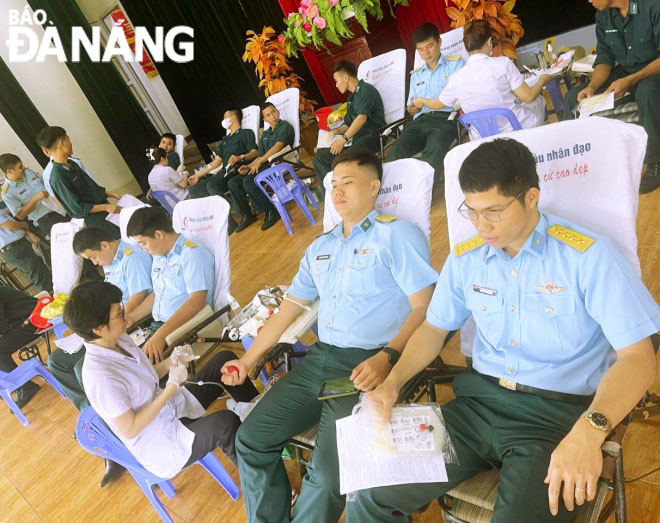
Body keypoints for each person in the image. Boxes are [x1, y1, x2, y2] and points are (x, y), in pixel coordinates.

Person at [345, 138, 660, 523]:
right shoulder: (467, 258)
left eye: (493, 211)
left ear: (531, 197)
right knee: (369, 495)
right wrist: (393, 383)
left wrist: (590, 430)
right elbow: (433, 327)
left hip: (555, 420)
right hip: (477, 408)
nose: (481, 225)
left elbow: (638, 358)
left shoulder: (588, 257)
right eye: (472, 211)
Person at [221, 149, 438, 522]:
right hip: (319, 360)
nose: (336, 192)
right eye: (333, 184)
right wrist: (246, 359)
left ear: (374, 187)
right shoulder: (320, 248)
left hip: (368, 365)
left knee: (327, 475)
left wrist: (388, 355)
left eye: (347, 183)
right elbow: (287, 310)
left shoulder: (397, 235)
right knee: (250, 440)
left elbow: (425, 309)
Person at [64, 281, 259, 479]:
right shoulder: (99, 377)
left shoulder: (118, 339)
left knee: (223, 361)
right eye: (118, 314)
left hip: (172, 408)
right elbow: (131, 428)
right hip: (160, 441)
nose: (125, 316)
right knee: (225, 423)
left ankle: (261, 418)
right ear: (98, 329)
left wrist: (171, 361)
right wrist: (171, 387)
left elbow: (144, 378)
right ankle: (260, 483)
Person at [48, 226, 154, 414]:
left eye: (93, 257)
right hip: (104, 322)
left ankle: (113, 413)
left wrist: (111, 320)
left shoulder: (133, 258)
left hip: (122, 322)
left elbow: (138, 297)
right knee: (57, 362)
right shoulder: (111, 262)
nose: (95, 263)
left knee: (82, 368)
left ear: (104, 245)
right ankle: (89, 409)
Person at [563, 0, 660, 194]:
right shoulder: (603, 17)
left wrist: (631, 80)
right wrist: (592, 86)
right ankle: (577, 163)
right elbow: (604, 59)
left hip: (653, 72)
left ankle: (655, 163)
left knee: (647, 92)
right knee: (574, 97)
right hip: (625, 73)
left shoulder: (652, 7)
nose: (589, 1)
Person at [414, 20, 550, 135]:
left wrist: (421, 101)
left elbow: (437, 104)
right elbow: (528, 97)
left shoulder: (456, 78)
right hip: (515, 129)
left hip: (482, 136)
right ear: (490, 42)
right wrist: (543, 79)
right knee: (538, 100)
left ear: (466, 48)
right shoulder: (503, 63)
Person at [126, 207, 215, 364]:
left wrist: (160, 335)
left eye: (144, 243)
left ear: (159, 234)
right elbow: (157, 294)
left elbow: (197, 302)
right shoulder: (160, 256)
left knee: (134, 371)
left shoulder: (192, 255)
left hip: (180, 329)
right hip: (158, 326)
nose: (144, 249)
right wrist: (131, 318)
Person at [386, 23, 464, 181]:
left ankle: (424, 197)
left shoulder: (456, 64)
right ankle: (396, 196)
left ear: (439, 42)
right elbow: (411, 106)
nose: (426, 53)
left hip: (445, 120)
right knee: (396, 152)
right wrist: (412, 109)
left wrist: (424, 102)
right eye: (420, 49)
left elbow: (460, 98)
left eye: (430, 46)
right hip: (418, 122)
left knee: (434, 150)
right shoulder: (416, 75)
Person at [313, 61, 386, 195]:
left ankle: (349, 195)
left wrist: (343, 139)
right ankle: (331, 197)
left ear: (346, 77)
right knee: (319, 159)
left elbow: (361, 119)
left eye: (336, 80)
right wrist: (335, 132)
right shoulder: (351, 98)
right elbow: (347, 124)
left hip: (372, 136)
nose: (336, 85)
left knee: (341, 160)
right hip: (355, 140)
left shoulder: (366, 90)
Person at [36, 126, 122, 239]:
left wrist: (111, 194)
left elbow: (91, 187)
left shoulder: (71, 164)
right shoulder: (58, 177)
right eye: (68, 139)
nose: (71, 143)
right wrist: (105, 207)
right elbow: (77, 208)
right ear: (62, 143)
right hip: (95, 219)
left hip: (104, 210)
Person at [228, 102, 295, 233]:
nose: (273, 116)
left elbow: (278, 147)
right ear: (264, 119)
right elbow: (260, 156)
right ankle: (247, 215)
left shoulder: (285, 126)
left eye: (273, 112)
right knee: (233, 182)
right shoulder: (265, 134)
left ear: (278, 111)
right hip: (265, 164)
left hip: (278, 163)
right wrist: (249, 166)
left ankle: (271, 211)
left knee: (249, 181)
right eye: (268, 115)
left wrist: (259, 162)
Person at [188, 108, 258, 197]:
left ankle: (224, 210)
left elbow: (255, 152)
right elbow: (217, 161)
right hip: (224, 172)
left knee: (212, 186)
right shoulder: (225, 140)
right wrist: (198, 175)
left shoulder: (245, 133)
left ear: (233, 118)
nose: (224, 120)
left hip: (237, 170)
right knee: (195, 190)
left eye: (226, 117)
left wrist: (241, 157)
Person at [0, 153, 69, 240]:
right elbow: (20, 215)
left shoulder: (28, 172)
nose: (23, 168)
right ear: (9, 171)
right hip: (47, 219)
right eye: (20, 167)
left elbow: (46, 182)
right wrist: (36, 198)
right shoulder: (7, 192)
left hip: (61, 208)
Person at [0, 286, 42, 409]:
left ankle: (24, 386)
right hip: (21, 320)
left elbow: (1, 324)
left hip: (32, 319)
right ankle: (8, 385)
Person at [0, 207, 52, 294]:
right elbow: (9, 225)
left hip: (15, 246)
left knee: (42, 272)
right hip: (15, 247)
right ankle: (51, 303)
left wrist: (27, 232)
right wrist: (23, 225)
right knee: (41, 277)